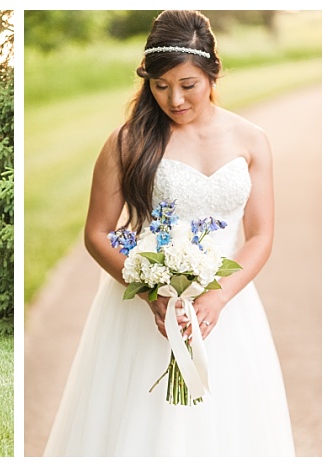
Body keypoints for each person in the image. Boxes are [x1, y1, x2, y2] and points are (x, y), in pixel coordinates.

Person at [43, 11, 295, 456]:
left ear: (212, 72)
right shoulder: (128, 142)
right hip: (146, 310)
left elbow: (260, 236)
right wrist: (151, 292)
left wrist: (218, 297)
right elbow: (97, 233)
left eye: (187, 85)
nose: (174, 99)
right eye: (160, 86)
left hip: (227, 309)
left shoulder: (251, 139)